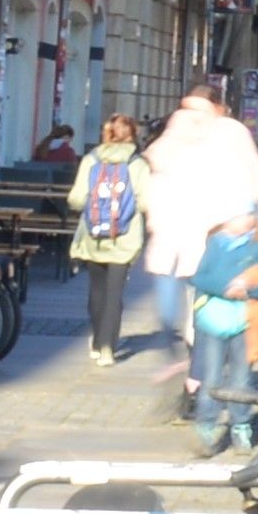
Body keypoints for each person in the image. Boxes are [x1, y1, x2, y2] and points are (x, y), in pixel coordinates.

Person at [141, 78, 258, 419]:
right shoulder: (188, 135)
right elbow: (257, 183)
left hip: (204, 243)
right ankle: (199, 383)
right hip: (189, 241)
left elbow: (252, 182)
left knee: (196, 318)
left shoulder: (222, 134)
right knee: (194, 318)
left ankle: (196, 386)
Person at [188, 192, 258, 454]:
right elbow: (199, 278)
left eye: (250, 215)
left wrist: (249, 289)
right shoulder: (214, 245)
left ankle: (241, 425)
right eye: (240, 216)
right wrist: (223, 289)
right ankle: (206, 425)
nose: (246, 221)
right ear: (226, 220)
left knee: (241, 377)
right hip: (213, 321)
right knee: (212, 375)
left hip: (245, 320)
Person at [66, 112, 148, 365]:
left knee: (96, 290)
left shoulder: (91, 160)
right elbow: (144, 203)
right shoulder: (138, 164)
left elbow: (76, 199)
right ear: (133, 134)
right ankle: (107, 348)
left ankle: (96, 339)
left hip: (92, 235)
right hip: (124, 238)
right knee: (115, 293)